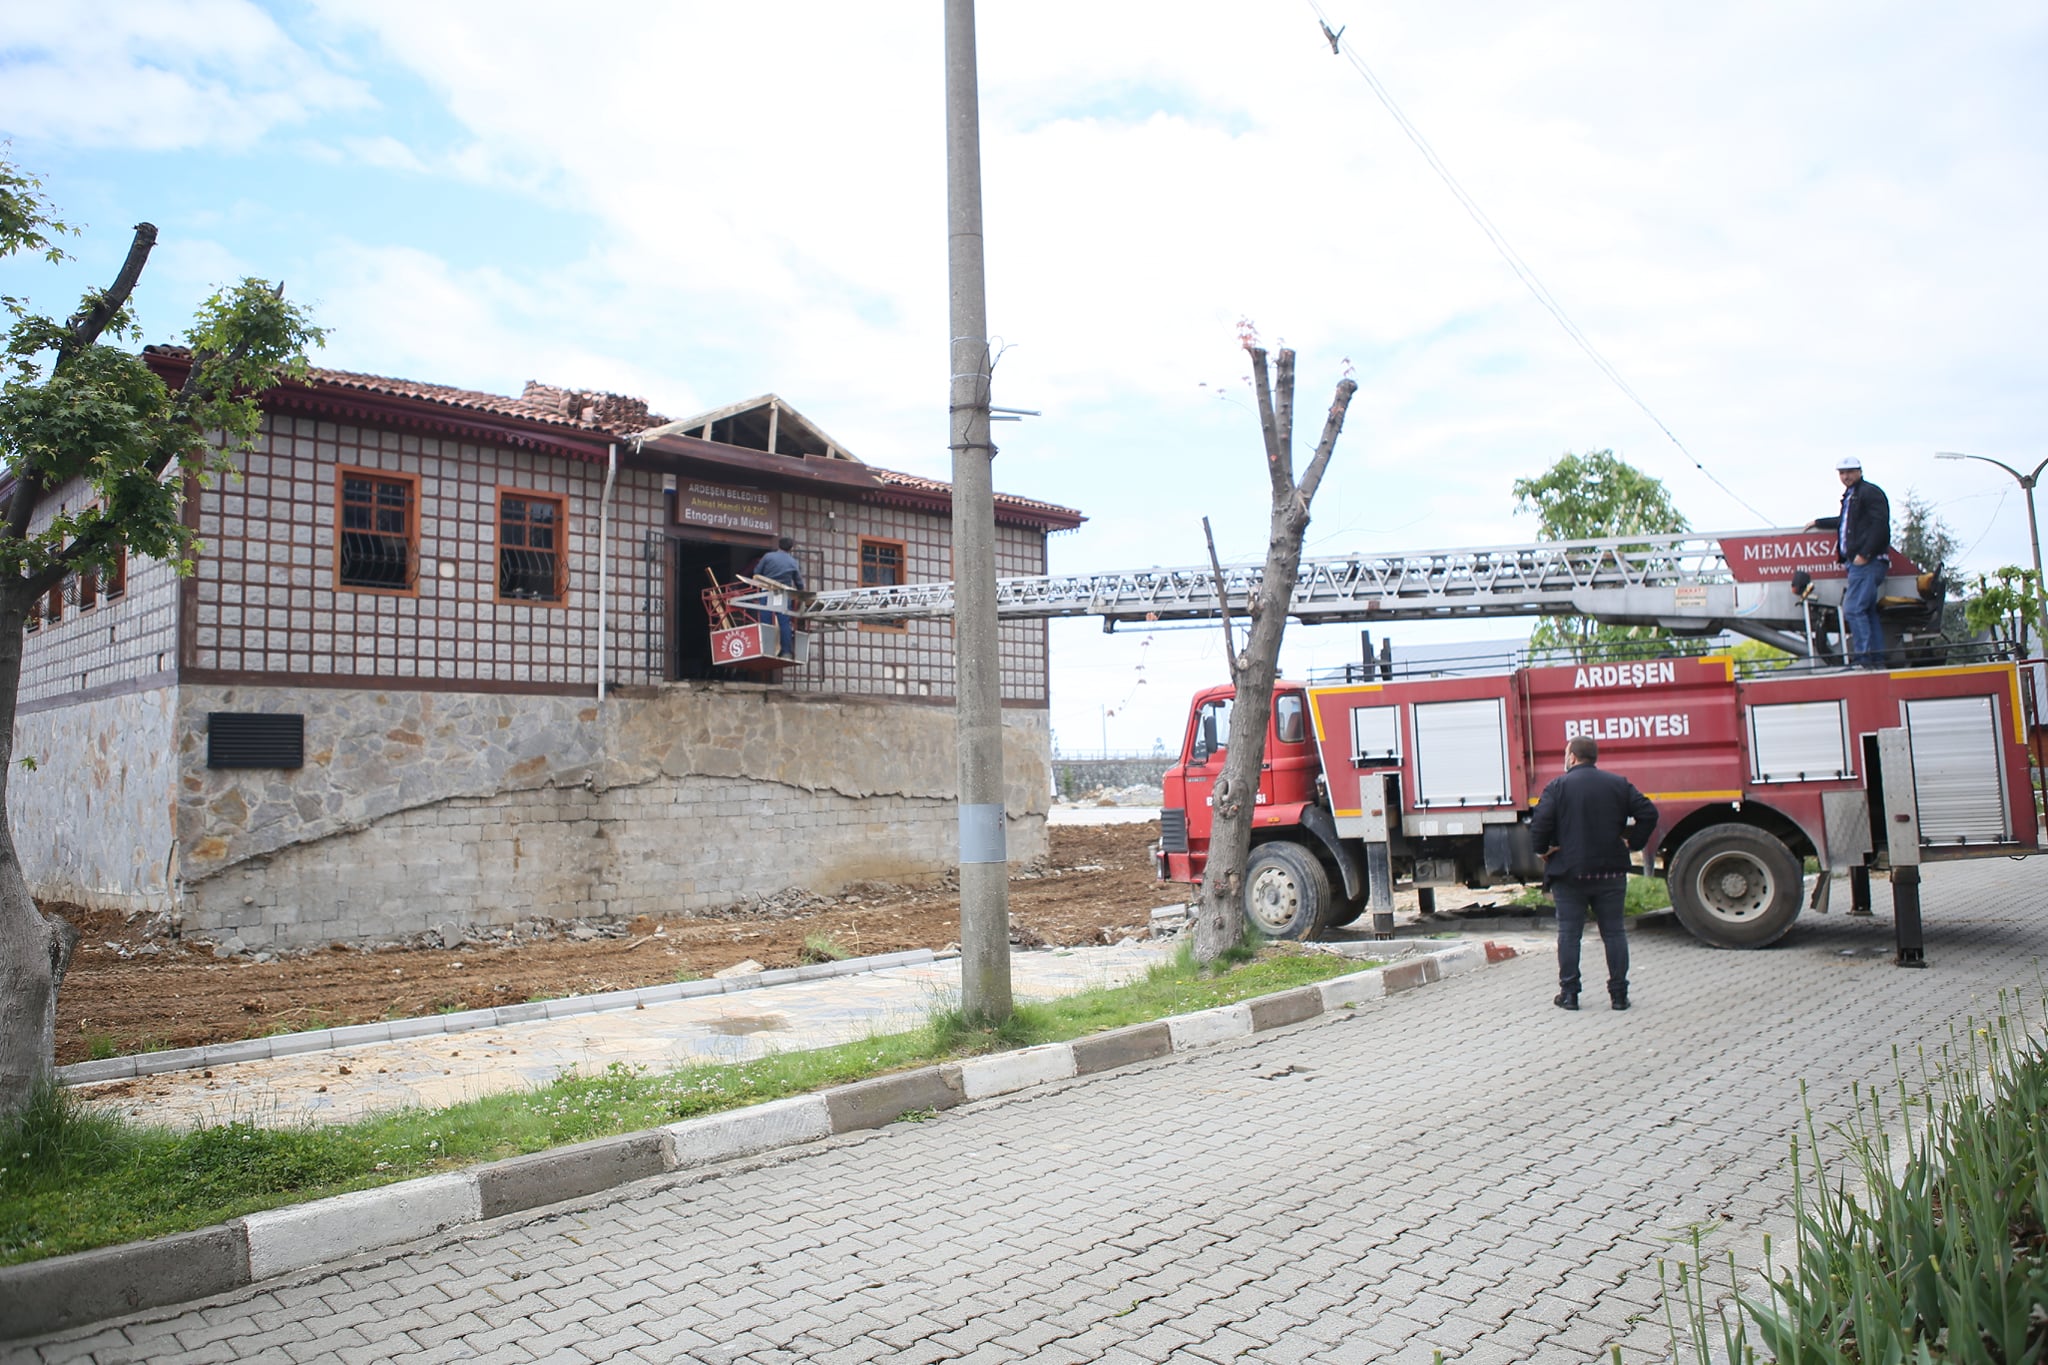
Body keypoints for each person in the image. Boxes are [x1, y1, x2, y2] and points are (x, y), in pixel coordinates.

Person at [1529, 735, 1658, 1012]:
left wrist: (1542, 850)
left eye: (1566, 754)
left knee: (1569, 933)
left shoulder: (1557, 787)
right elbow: (1649, 813)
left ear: (1573, 757)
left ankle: (1570, 994)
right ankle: (1619, 995)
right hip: (1610, 872)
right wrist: (1633, 842)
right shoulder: (1618, 784)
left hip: (1569, 873)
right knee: (1614, 933)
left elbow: (1540, 824)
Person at [1806, 456, 1892, 669]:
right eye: (1842, 473)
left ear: (1860, 472)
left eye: (1850, 472)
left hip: (1867, 563)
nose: (1846, 476)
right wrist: (1818, 522)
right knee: (1866, 611)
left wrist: (1866, 554)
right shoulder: (1852, 496)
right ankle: (1876, 659)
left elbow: (1880, 525)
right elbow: (1844, 522)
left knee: (1853, 609)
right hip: (1860, 563)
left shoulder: (1869, 492)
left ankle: (1864, 659)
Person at [753, 535, 805, 659]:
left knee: (766, 621)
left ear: (779, 545)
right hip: (783, 594)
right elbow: (799, 582)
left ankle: (767, 650)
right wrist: (801, 593)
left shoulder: (768, 557)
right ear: (791, 548)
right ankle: (786, 652)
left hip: (767, 592)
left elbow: (756, 572)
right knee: (784, 623)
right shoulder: (793, 562)